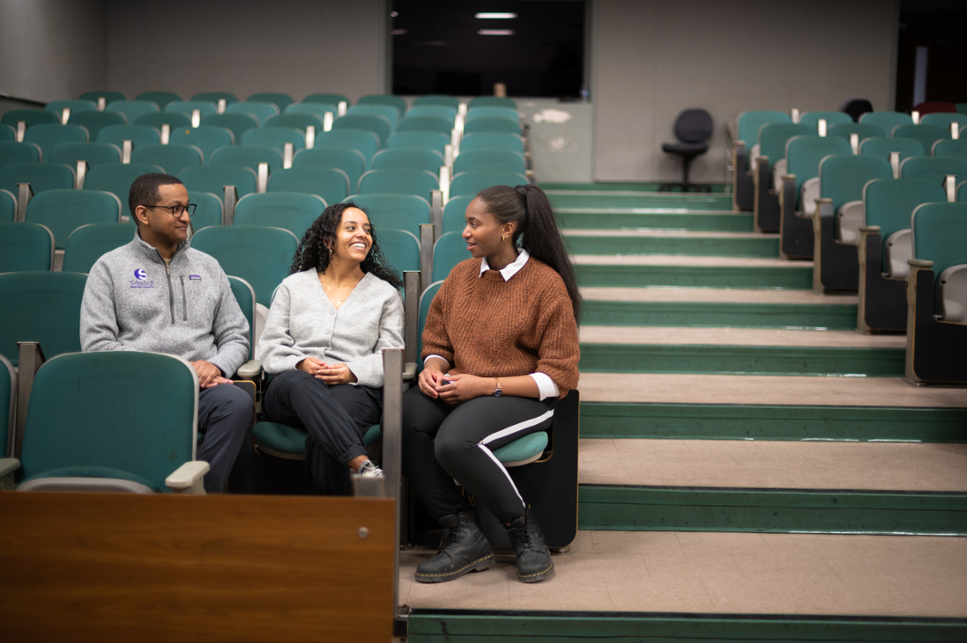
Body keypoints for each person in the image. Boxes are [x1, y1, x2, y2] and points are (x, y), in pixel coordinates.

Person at [402, 184, 581, 584]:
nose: (464, 232)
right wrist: (432, 367)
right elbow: (437, 343)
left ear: (506, 229)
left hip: (522, 395)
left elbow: (559, 376)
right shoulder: (461, 275)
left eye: (473, 223)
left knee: (453, 442)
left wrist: (486, 385)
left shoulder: (545, 285)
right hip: (465, 388)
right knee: (404, 416)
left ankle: (523, 530)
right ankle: (463, 533)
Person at [80, 173, 253, 493]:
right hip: (136, 388)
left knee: (238, 401)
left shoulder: (209, 266)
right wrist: (173, 370)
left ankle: (198, 498)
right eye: (175, 209)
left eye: (188, 208)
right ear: (143, 214)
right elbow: (97, 344)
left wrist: (215, 365)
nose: (185, 217)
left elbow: (236, 335)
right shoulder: (109, 268)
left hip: (201, 389)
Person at [258, 202, 404, 495]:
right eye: (351, 228)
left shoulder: (384, 294)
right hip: (291, 388)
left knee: (323, 436)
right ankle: (362, 463)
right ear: (328, 240)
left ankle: (329, 529)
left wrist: (352, 371)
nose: (362, 234)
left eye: (367, 229)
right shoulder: (293, 286)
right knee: (300, 382)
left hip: (355, 390)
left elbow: (391, 358)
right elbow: (270, 347)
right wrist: (301, 363)